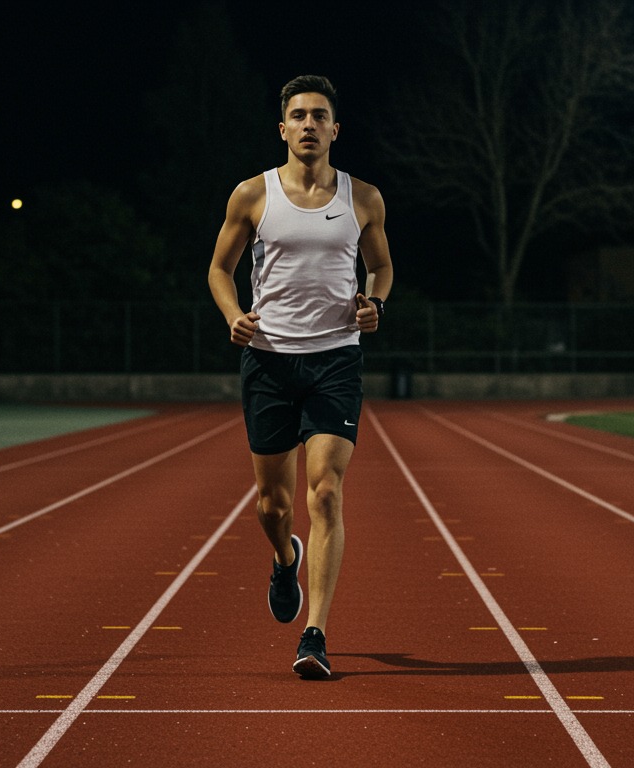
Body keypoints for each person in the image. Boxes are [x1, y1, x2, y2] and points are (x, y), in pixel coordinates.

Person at [207, 75, 394, 679]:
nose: (309, 124)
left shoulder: (364, 198)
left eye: (319, 115)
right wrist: (234, 315)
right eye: (298, 115)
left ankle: (315, 635)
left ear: (336, 129)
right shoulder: (252, 195)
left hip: (335, 360)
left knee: (327, 491)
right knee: (274, 504)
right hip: (268, 360)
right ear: (282, 128)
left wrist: (375, 302)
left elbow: (381, 266)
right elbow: (219, 269)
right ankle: (284, 558)